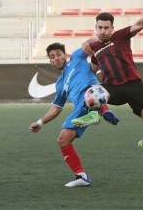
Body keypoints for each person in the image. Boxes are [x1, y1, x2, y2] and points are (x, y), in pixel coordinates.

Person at [77, 4, 143, 165]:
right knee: (92, 90)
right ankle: (94, 114)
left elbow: (139, 25)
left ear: (112, 28)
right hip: (112, 87)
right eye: (100, 27)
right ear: (96, 27)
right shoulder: (95, 48)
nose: (103, 31)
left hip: (133, 85)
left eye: (106, 28)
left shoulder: (120, 36)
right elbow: (92, 69)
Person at [29, 43, 119, 187]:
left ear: (65, 55)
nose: (56, 58)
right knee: (63, 140)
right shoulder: (60, 84)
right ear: (50, 61)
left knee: (89, 93)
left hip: (93, 92)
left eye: (59, 54)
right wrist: (40, 123)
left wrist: (92, 42)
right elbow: (56, 108)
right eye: (52, 57)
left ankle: (101, 112)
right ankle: (82, 176)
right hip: (80, 109)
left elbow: (93, 41)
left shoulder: (77, 57)